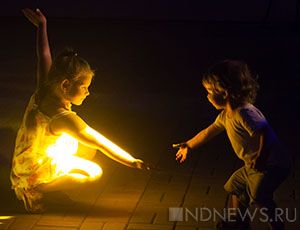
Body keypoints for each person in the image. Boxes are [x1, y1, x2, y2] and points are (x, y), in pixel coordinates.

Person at [10, 8, 147, 213]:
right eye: (84, 87)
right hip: (29, 175)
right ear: (65, 85)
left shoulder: (45, 89)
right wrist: (132, 161)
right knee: (94, 173)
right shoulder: (62, 118)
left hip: (22, 164)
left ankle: (44, 185)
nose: (88, 93)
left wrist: (42, 26)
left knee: (85, 149)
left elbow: (44, 56)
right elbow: (100, 141)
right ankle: (37, 189)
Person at [173, 60, 291, 229]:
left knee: (259, 197)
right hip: (253, 165)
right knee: (235, 186)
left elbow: (267, 133)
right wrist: (188, 145)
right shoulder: (225, 115)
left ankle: (277, 226)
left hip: (272, 164)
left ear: (224, 92)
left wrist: (261, 157)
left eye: (209, 91)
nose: (207, 96)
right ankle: (238, 222)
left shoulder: (245, 113)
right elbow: (209, 131)